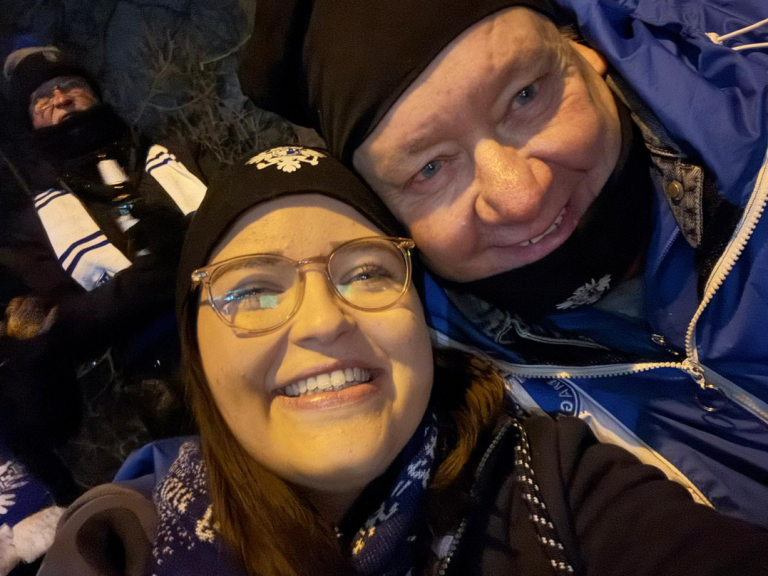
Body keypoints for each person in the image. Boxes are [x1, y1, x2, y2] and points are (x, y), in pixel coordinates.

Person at [37, 146, 768, 576]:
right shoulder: (120, 545)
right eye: (253, 290)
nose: (324, 321)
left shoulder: (556, 488)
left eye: (366, 272)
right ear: (197, 353)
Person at [235, 0, 768, 526]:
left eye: (525, 96)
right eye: (430, 168)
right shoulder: (452, 415)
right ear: (390, 218)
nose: (520, 198)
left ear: (584, 53)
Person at [0, 46, 210, 506]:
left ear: (95, 94)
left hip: (238, 319)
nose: (60, 98)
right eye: (42, 99)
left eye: (70, 86)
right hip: (157, 390)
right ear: (30, 122)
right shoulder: (32, 225)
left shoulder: (172, 152)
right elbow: (56, 323)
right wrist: (139, 287)